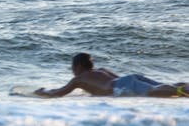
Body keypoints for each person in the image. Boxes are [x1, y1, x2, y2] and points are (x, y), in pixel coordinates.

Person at [35, 52, 189, 98]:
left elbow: (59, 93)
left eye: (72, 67)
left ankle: (181, 92)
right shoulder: (101, 70)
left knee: (153, 91)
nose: (72, 70)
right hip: (127, 78)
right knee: (159, 86)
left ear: (79, 66)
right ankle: (183, 87)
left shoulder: (79, 79)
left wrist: (42, 92)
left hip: (121, 85)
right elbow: (119, 79)